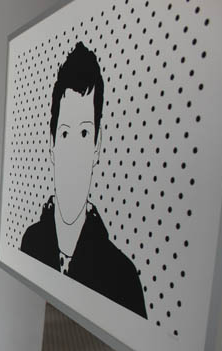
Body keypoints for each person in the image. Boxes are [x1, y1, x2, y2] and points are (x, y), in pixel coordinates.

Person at [20, 42, 147, 319]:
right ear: (52, 144)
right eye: (65, 134)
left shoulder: (122, 276)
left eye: (85, 134)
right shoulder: (31, 242)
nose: (75, 154)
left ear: (97, 146)